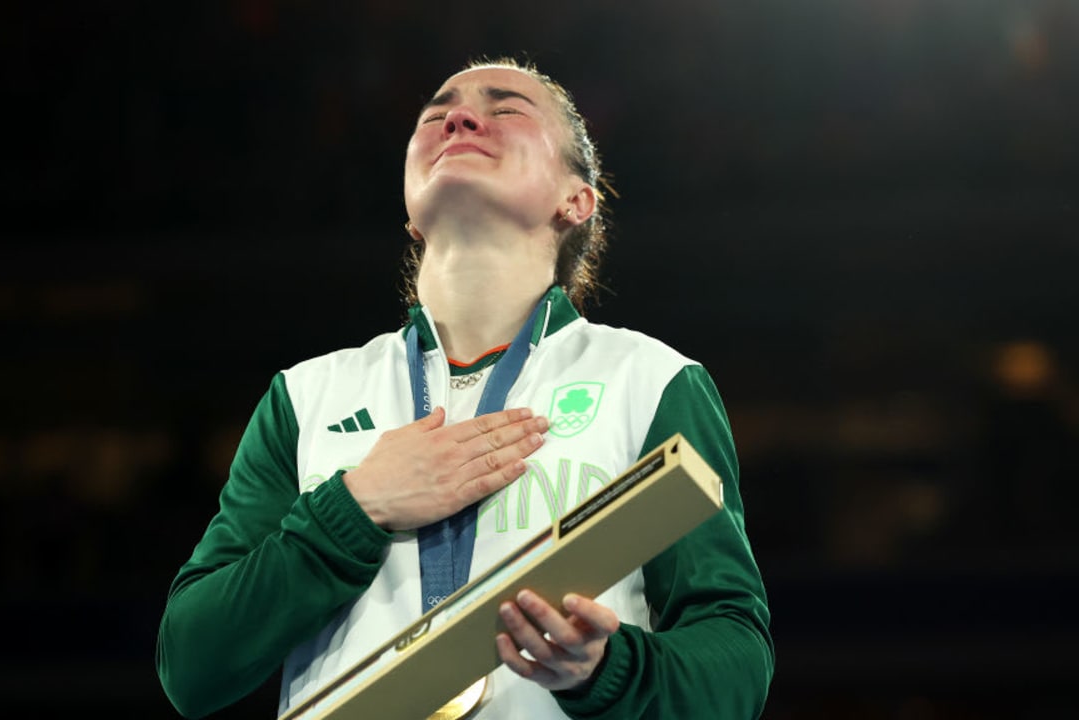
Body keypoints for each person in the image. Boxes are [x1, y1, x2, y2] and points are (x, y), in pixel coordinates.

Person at [156, 57, 774, 719]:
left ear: (576, 199)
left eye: (506, 108)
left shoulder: (649, 380)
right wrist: (354, 508)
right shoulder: (306, 399)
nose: (459, 116)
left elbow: (736, 665)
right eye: (435, 115)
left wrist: (609, 669)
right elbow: (191, 666)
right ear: (411, 214)